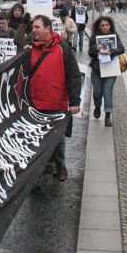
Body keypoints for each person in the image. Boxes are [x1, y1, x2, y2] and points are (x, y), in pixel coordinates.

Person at [23, 15, 82, 181]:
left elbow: (73, 76)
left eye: (37, 27)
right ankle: (36, 171)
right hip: (33, 104)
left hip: (56, 103)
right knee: (34, 139)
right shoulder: (29, 49)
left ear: (48, 29)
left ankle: (60, 164)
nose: (33, 30)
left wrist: (75, 101)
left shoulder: (63, 48)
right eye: (33, 27)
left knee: (57, 139)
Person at [88, 16, 125, 127]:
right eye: (102, 25)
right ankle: (97, 105)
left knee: (107, 92)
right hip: (97, 70)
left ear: (110, 26)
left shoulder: (114, 36)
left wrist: (112, 51)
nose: (105, 27)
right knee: (97, 92)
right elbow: (90, 53)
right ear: (99, 27)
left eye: (107, 25)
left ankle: (108, 115)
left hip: (110, 69)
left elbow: (122, 49)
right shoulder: (94, 37)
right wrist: (96, 48)